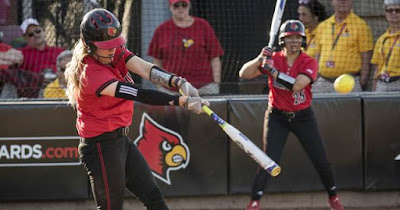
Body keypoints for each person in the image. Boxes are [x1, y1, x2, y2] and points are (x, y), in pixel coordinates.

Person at [64, 8, 208, 210]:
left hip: (121, 140)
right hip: (100, 147)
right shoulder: (91, 73)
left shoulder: (114, 53)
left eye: (114, 45)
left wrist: (178, 81)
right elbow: (138, 93)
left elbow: (146, 69)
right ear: (90, 45)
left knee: (153, 197)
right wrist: (181, 102)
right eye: (106, 47)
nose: (112, 50)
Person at [239, 20, 344, 210]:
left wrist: (272, 71)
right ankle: (254, 202)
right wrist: (260, 58)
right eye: (289, 38)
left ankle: (333, 197)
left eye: (297, 38)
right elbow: (243, 74)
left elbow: (297, 85)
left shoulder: (309, 61)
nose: (294, 41)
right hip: (277, 116)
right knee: (268, 160)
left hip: (303, 116)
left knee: (321, 159)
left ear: (302, 40)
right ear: (282, 40)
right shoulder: (274, 58)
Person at [147, 0, 224, 95]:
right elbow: (157, 60)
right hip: (171, 89)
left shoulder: (203, 26)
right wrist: (159, 85)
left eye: (184, 5)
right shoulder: (162, 29)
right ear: (170, 7)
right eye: (176, 5)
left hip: (204, 88)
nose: (180, 8)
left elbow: (215, 56)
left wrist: (216, 82)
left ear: (189, 6)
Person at [312, 0, 373, 93]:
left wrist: (362, 82)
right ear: (332, 2)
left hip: (349, 83)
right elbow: (317, 55)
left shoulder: (361, 26)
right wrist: (315, 79)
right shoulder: (322, 26)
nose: (342, 1)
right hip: (323, 83)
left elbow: (366, 58)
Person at [18, 18, 64, 97]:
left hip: (58, 85)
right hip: (35, 88)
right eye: (30, 34)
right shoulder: (21, 53)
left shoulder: (58, 51)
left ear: (43, 31)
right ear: (25, 38)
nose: (35, 35)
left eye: (38, 31)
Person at [371, 0, 400, 92]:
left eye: (398, 10)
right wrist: (374, 90)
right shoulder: (382, 39)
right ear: (385, 14)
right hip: (382, 84)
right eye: (390, 10)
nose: (394, 13)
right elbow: (377, 68)